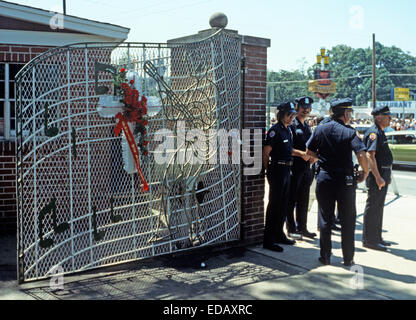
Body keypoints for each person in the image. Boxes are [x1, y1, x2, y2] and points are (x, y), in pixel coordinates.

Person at [306, 98, 369, 266]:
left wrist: (324, 159)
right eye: (349, 113)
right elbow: (362, 154)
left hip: (325, 178)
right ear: (345, 114)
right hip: (345, 181)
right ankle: (348, 258)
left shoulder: (320, 129)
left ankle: (325, 257)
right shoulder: (349, 132)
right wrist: (365, 172)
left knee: (325, 219)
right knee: (348, 219)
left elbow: (309, 152)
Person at [263, 101, 297, 252]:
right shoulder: (274, 130)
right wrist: (267, 170)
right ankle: (268, 239)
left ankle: (279, 233)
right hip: (277, 169)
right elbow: (266, 152)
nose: (291, 117)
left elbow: (289, 150)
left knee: (284, 204)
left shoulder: (287, 130)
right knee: (274, 205)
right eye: (289, 115)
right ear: (281, 115)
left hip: (287, 170)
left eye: (292, 115)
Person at [362, 105, 393, 251]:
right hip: (377, 177)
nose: (390, 119)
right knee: (373, 207)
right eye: (388, 116)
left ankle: (377, 237)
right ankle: (370, 240)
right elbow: (370, 155)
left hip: (383, 175)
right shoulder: (374, 133)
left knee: (379, 208)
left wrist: (387, 176)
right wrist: (378, 177)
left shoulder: (380, 132)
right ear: (379, 117)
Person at [286, 96, 317, 239]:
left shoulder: (307, 126)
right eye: (303, 107)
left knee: (304, 200)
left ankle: (302, 228)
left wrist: (313, 157)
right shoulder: (292, 125)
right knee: (291, 199)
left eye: (308, 107)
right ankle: (291, 229)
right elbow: (286, 147)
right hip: (295, 168)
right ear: (297, 108)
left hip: (306, 168)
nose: (306, 110)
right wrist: (301, 154)